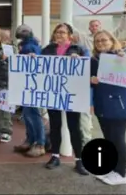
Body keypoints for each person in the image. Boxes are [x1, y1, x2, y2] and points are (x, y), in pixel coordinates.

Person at [72, 14, 126, 146]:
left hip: (117, 103)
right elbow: (72, 29)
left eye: (96, 25)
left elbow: (121, 28)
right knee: (107, 134)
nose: (100, 43)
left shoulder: (117, 53)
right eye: (92, 25)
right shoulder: (84, 39)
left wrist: (125, 15)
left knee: (118, 139)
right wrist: (77, 60)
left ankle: (118, 166)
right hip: (98, 92)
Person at [40, 23, 88, 175]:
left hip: (71, 94)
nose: (59, 35)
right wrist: (32, 59)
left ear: (69, 35)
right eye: (57, 32)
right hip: (53, 93)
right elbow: (38, 67)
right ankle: (55, 156)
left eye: (62, 32)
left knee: (74, 128)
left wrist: (78, 59)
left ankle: (79, 161)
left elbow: (87, 68)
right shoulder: (47, 49)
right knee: (55, 125)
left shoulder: (78, 49)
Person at [90, 30, 126, 185]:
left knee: (118, 139)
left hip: (119, 106)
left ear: (112, 40)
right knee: (109, 140)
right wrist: (91, 80)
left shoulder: (122, 56)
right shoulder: (94, 60)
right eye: (97, 41)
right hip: (102, 106)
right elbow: (87, 78)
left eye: (104, 40)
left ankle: (122, 174)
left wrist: (125, 61)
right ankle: (114, 170)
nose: (101, 43)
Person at [13, 24, 46, 157]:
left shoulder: (30, 47)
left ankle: (39, 142)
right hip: (26, 84)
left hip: (32, 85)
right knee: (27, 114)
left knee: (33, 114)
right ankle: (31, 139)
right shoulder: (30, 45)